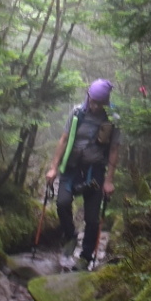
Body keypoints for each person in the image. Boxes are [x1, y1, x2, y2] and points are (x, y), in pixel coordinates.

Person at [46, 79, 119, 270]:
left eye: (98, 102)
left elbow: (113, 150)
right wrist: (54, 167)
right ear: (88, 96)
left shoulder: (112, 119)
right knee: (62, 203)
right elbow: (63, 140)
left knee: (92, 218)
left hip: (95, 171)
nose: (94, 105)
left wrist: (109, 180)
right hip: (71, 167)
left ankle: (85, 257)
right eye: (92, 100)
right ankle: (70, 236)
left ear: (106, 101)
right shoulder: (77, 112)